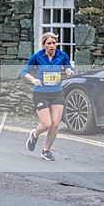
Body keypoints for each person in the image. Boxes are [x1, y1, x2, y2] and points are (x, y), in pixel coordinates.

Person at [21, 32, 74, 161]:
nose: (52, 46)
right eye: (49, 43)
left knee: (55, 124)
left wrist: (69, 71)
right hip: (41, 93)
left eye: (54, 43)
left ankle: (46, 150)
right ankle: (35, 134)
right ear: (44, 44)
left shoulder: (62, 55)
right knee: (46, 124)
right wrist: (34, 80)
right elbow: (25, 72)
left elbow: (68, 67)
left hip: (57, 92)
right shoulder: (37, 56)